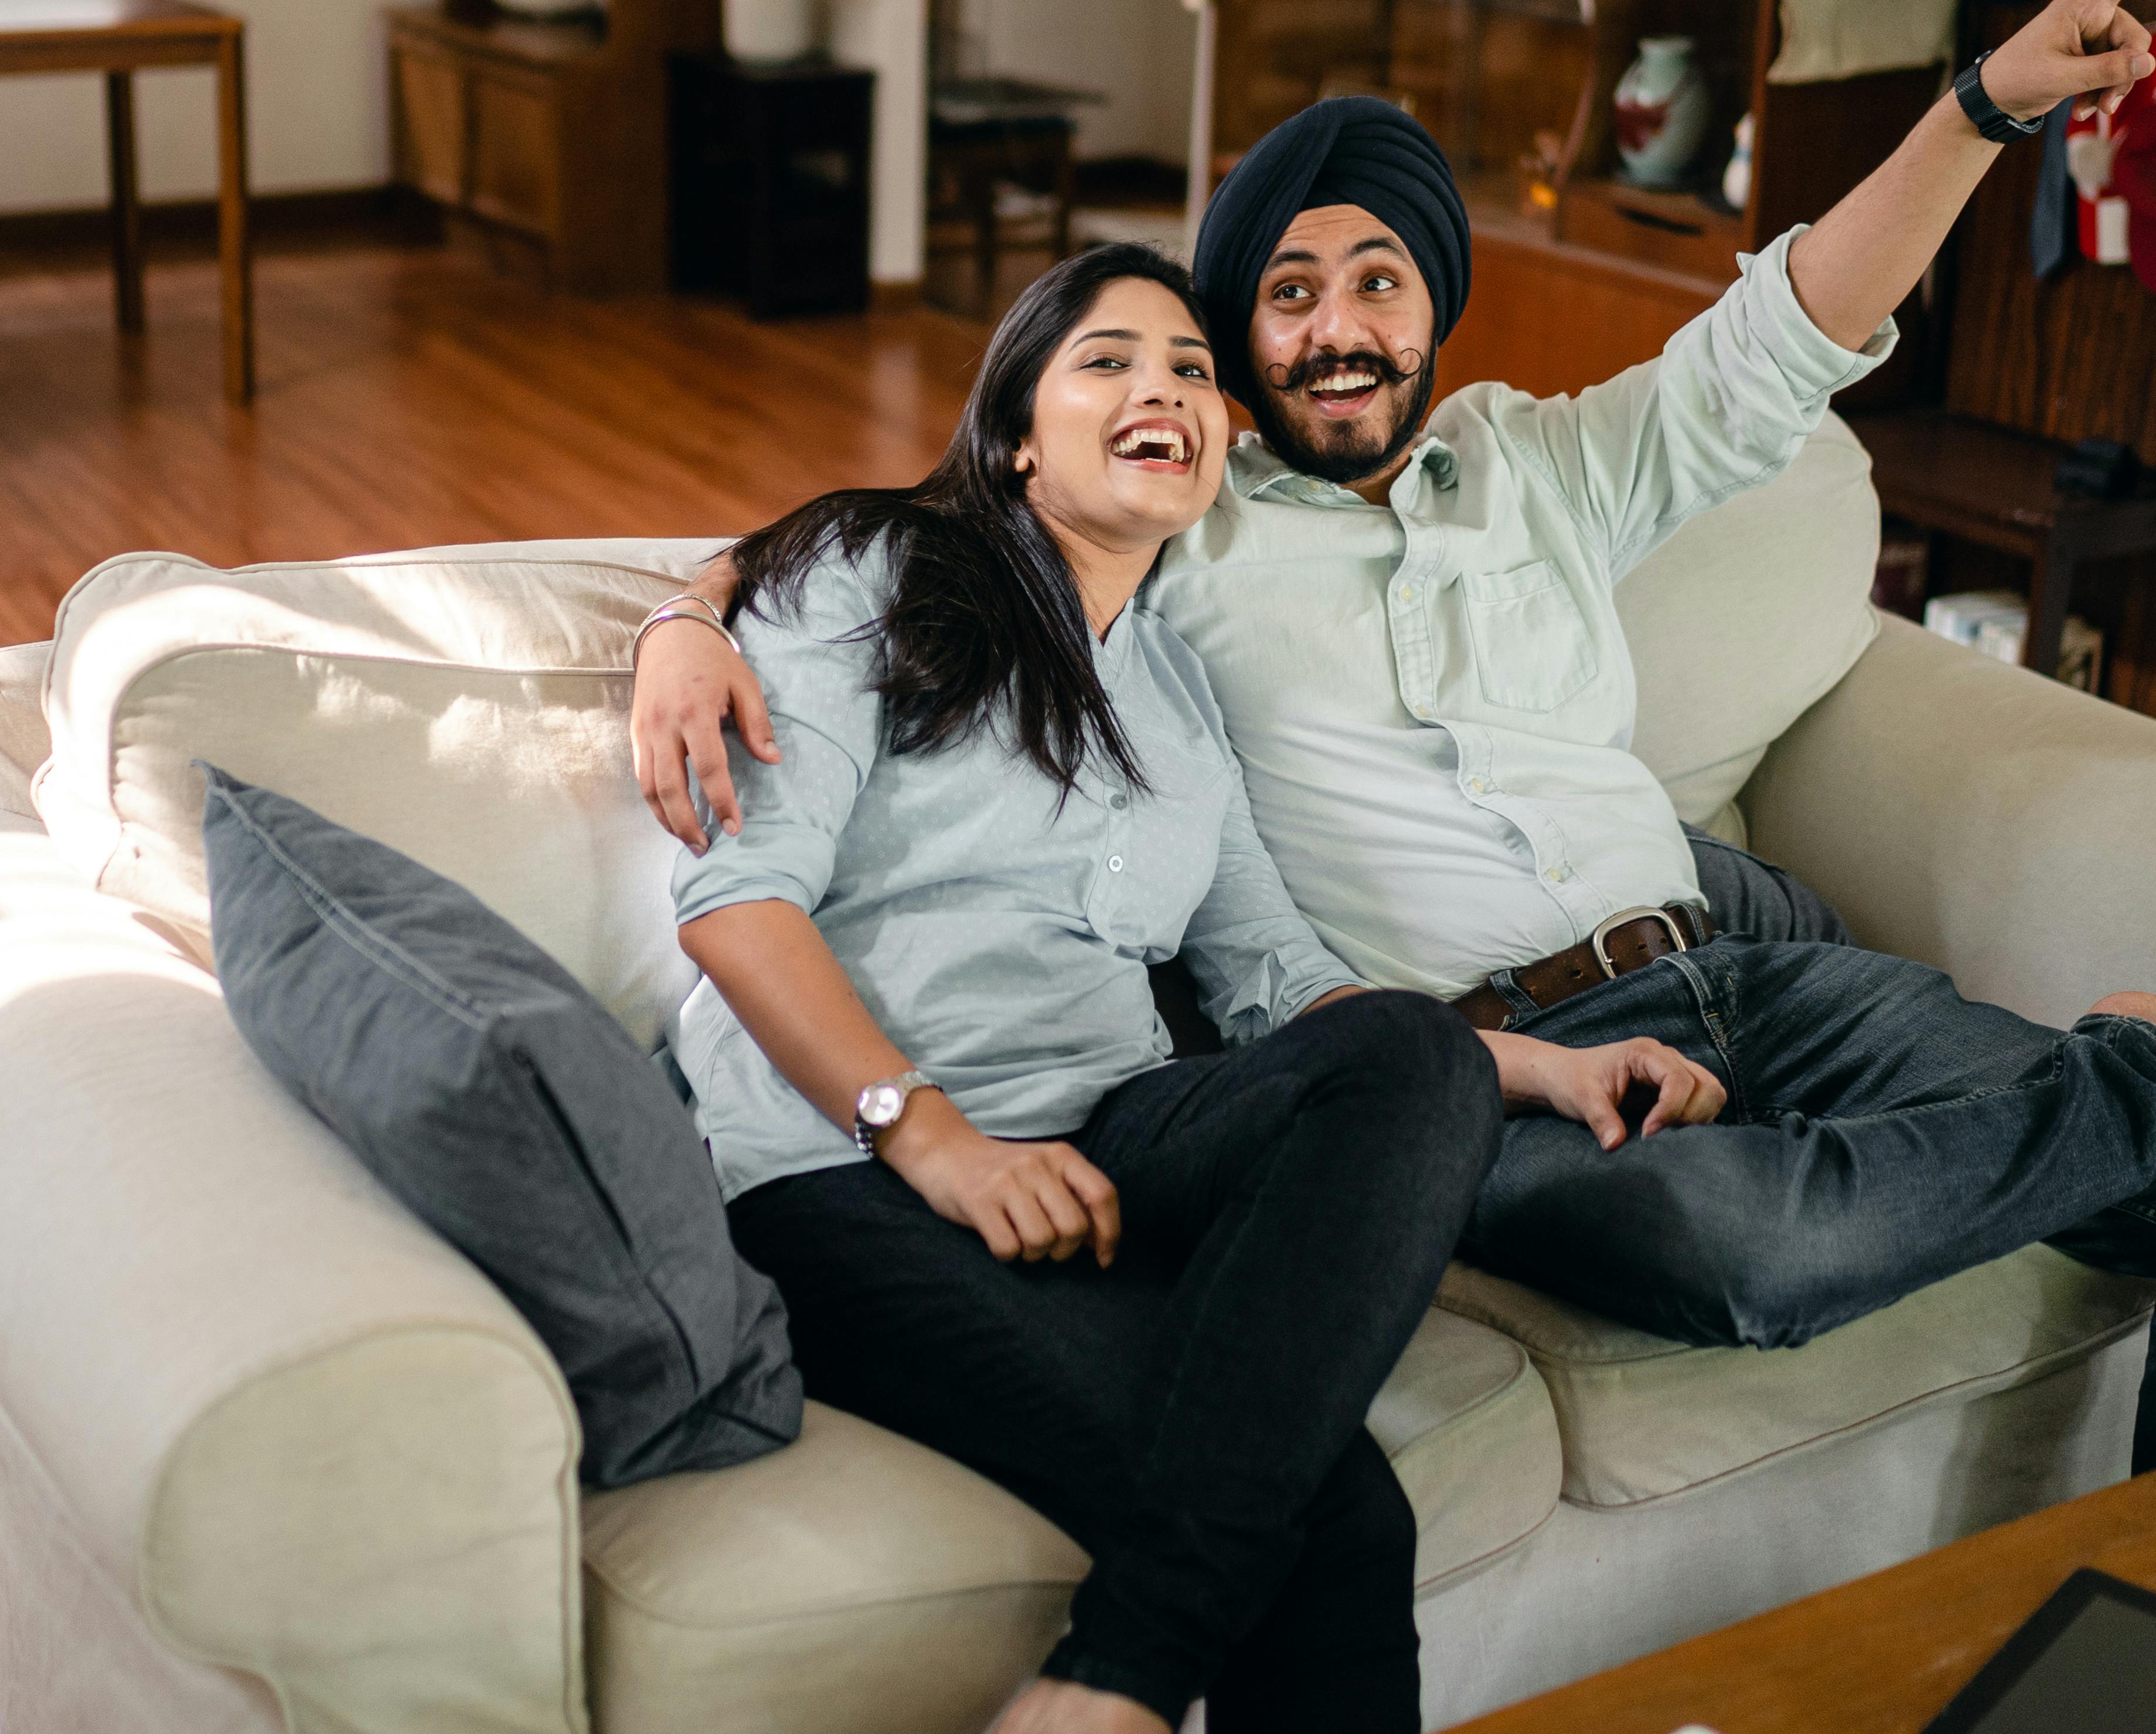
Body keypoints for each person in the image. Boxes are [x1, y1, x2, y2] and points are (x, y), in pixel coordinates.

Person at [639, 0, 2156, 1477]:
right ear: (1235, 340)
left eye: (1375, 277)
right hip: (1486, 1071)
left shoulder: (1549, 465)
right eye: (1279, 293)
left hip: (1742, 972)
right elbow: (939, 524)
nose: (1334, 324)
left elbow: (1785, 333)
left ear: (1434, 303)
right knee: (1750, 1251)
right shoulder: (1180, 514)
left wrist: (1979, 109)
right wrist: (687, 611)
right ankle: (2152, 1061)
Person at [671, 243, 1723, 1734]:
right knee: (1341, 1525)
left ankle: (1115, 1675)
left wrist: (1536, 1069)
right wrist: (933, 1137)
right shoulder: (873, 569)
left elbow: (1276, 985)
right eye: (1104, 360)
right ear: (1015, 432)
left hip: (1106, 1145)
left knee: (1412, 1053)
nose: (1159, 386)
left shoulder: (1174, 690)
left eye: (1186, 368)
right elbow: (735, 902)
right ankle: (1122, 1678)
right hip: (841, 1170)